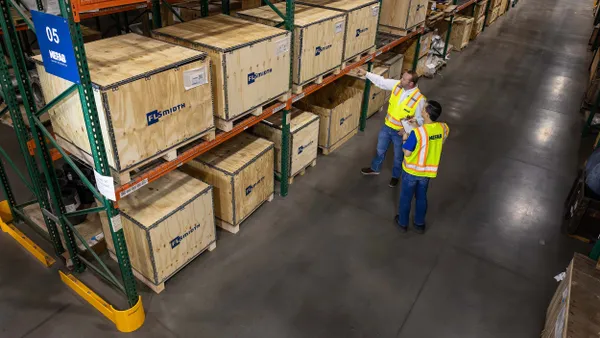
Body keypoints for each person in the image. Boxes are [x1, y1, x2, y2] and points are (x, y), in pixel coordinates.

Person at [357, 69, 427, 187]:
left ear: (411, 84)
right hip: (387, 126)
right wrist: (366, 73)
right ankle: (375, 168)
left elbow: (420, 121)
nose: (401, 80)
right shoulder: (398, 86)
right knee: (380, 150)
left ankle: (395, 176)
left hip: (400, 133)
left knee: (398, 157)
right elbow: (381, 82)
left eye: (404, 79)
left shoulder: (419, 99)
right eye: (402, 77)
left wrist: (406, 130)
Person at [395, 100, 449, 234]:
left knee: (406, 198)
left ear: (426, 114)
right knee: (421, 197)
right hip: (427, 172)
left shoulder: (417, 134)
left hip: (412, 172)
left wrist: (406, 136)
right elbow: (438, 139)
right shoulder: (443, 128)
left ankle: (402, 222)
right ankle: (419, 224)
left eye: (423, 109)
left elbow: (406, 152)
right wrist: (418, 125)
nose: (422, 111)